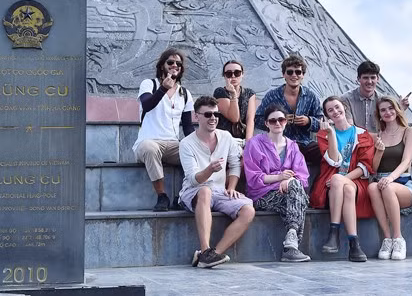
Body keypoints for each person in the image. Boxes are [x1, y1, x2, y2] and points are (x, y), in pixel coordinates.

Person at [179, 95, 255, 268]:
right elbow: (193, 179)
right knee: (205, 190)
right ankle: (205, 249)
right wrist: (209, 170)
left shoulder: (226, 136)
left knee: (248, 211)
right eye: (207, 115)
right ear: (196, 116)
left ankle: (212, 255)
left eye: (215, 114)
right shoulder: (186, 143)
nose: (213, 118)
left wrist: (232, 187)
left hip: (220, 191)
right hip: (194, 190)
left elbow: (236, 164)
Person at [243, 104, 311, 262]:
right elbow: (254, 178)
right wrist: (280, 178)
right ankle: (291, 246)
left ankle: (291, 241)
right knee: (302, 200)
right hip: (262, 195)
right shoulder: (255, 144)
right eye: (272, 121)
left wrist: (290, 180)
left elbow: (302, 176)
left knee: (296, 190)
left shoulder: (293, 146)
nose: (277, 123)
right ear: (266, 123)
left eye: (281, 119)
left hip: (288, 193)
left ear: (286, 121)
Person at [310, 96, 371, 262]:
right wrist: (331, 134)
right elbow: (334, 160)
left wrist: (342, 178)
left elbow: (364, 166)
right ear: (327, 116)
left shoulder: (362, 134)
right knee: (346, 189)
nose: (335, 112)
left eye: (337, 107)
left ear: (344, 107)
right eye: (330, 110)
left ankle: (334, 233)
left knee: (340, 181)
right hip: (333, 183)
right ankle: (354, 243)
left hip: (355, 179)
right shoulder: (324, 134)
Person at [133, 48, 194, 211]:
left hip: (173, 144)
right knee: (149, 148)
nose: (175, 65)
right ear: (162, 66)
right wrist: (163, 89)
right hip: (149, 142)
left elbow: (188, 126)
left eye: (178, 64)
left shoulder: (185, 94)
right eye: (170, 62)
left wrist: (199, 145)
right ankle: (162, 196)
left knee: (195, 152)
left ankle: (183, 196)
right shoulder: (149, 84)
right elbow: (147, 104)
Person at [367, 96, 412, 260]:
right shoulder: (378, 136)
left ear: (397, 110)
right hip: (381, 182)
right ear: (379, 115)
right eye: (383, 110)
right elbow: (374, 169)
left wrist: (390, 178)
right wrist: (379, 151)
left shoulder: (409, 131)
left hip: (402, 183)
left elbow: (406, 161)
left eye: (391, 108)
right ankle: (387, 239)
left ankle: (398, 238)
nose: (388, 112)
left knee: (385, 186)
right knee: (371, 187)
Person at [255, 55, 323, 163]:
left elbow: (322, 123)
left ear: (303, 75)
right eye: (290, 72)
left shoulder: (311, 96)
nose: (294, 75)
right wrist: (278, 120)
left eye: (298, 72)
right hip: (279, 144)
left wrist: (308, 121)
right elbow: (258, 119)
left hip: (305, 144)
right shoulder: (272, 96)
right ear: (284, 75)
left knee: (325, 149)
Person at [341, 60, 410, 132]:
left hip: (380, 141)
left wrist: (400, 109)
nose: (369, 81)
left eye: (373, 77)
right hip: (355, 140)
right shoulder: (346, 99)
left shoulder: (383, 101)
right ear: (358, 79)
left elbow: (391, 127)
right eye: (365, 78)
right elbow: (349, 128)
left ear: (378, 79)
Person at [214, 60, 257, 144]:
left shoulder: (249, 93)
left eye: (237, 73)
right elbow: (234, 118)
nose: (233, 76)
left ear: (242, 74)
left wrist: (248, 142)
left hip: (242, 139)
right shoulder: (220, 92)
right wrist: (233, 95)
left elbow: (250, 119)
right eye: (229, 74)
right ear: (224, 76)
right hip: (224, 140)